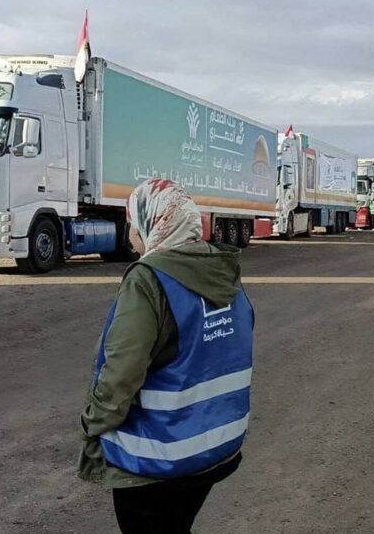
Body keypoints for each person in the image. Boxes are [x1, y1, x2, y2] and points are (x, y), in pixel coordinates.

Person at [78, 178, 252, 534]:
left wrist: (93, 424)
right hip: (213, 448)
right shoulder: (223, 273)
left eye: (132, 225)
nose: (129, 237)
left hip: (157, 458)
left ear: (152, 223)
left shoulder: (148, 281)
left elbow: (121, 373)